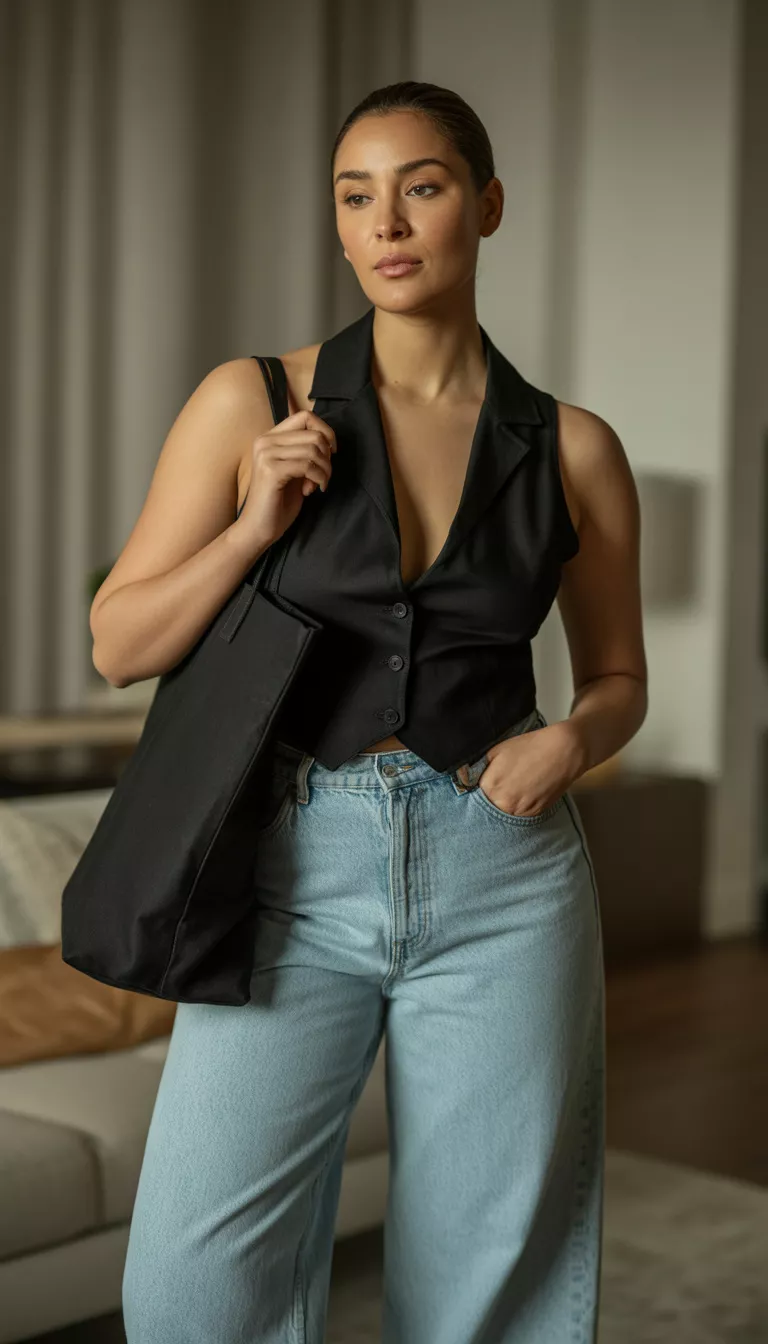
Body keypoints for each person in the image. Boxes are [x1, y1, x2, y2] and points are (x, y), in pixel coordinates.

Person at [97, 80, 647, 1344]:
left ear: (487, 205)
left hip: (504, 877)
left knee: (484, 1284)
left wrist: (571, 738)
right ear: (338, 226)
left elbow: (619, 679)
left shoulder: (573, 448)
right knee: (193, 1288)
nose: (387, 221)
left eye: (424, 186)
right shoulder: (254, 400)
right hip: (296, 865)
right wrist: (252, 525)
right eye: (357, 195)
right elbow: (119, 641)